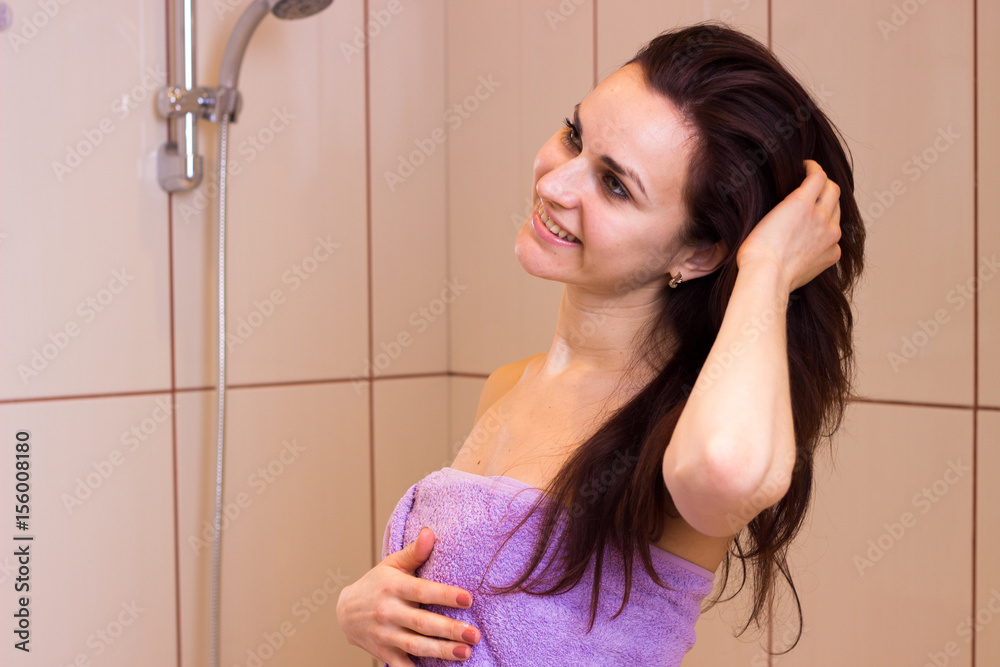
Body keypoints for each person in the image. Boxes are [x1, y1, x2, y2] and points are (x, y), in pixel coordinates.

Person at [337, 20, 865, 666]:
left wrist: (768, 269)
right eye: (574, 135)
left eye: (615, 185)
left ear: (699, 252)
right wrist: (364, 608)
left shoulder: (682, 430)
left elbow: (725, 469)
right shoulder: (508, 386)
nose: (555, 185)